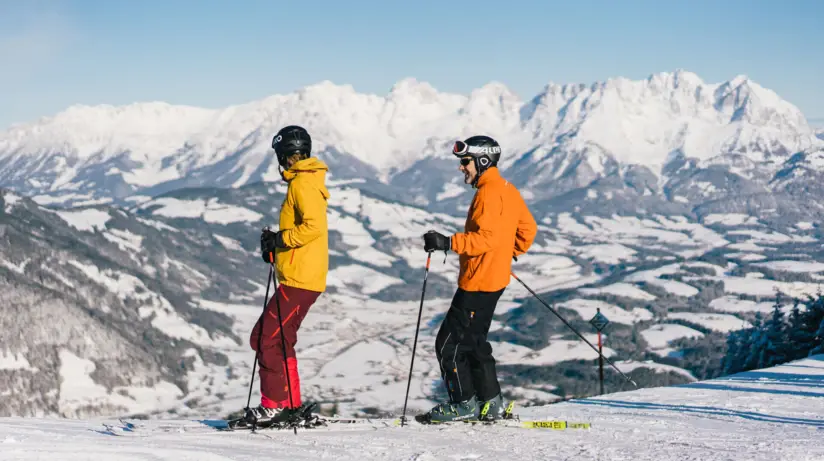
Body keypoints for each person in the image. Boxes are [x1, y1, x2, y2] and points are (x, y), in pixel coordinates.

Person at [420, 135, 537, 423]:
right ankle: (490, 403)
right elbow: (528, 228)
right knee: (474, 342)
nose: (461, 168)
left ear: (482, 161)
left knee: (448, 345)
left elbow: (485, 239)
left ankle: (463, 404)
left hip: (478, 282)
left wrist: (447, 242)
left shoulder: (487, 192)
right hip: (493, 279)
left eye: (465, 162)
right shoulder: (506, 188)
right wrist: (505, 256)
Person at [246, 125, 331, 426]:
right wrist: (276, 246)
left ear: (284, 156)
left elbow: (313, 227)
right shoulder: (306, 181)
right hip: (300, 278)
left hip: (300, 281)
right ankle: (290, 404)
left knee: (264, 339)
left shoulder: (302, 184)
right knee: (279, 340)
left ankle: (275, 406)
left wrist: (280, 240)